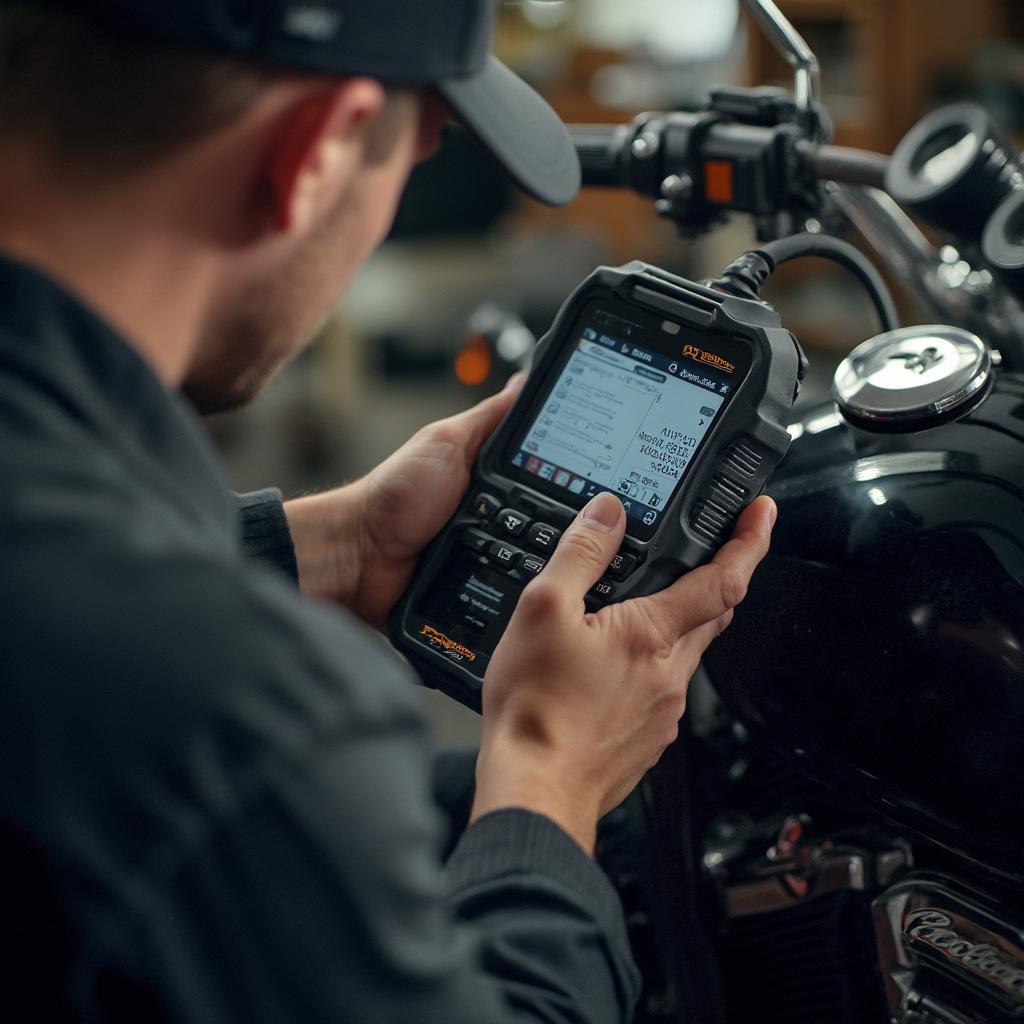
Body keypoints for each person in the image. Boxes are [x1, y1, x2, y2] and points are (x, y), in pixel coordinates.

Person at [0, 1, 776, 1021]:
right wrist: (548, 777)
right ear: (315, 152)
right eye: (416, 150)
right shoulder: (233, 714)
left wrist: (332, 543)